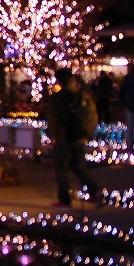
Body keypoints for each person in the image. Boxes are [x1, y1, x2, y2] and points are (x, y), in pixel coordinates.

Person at [46, 67, 100, 208]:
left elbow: (54, 119)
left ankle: (65, 199)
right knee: (78, 166)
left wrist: (53, 136)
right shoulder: (83, 96)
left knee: (62, 168)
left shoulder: (58, 98)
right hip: (80, 136)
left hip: (64, 137)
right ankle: (96, 191)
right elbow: (93, 116)